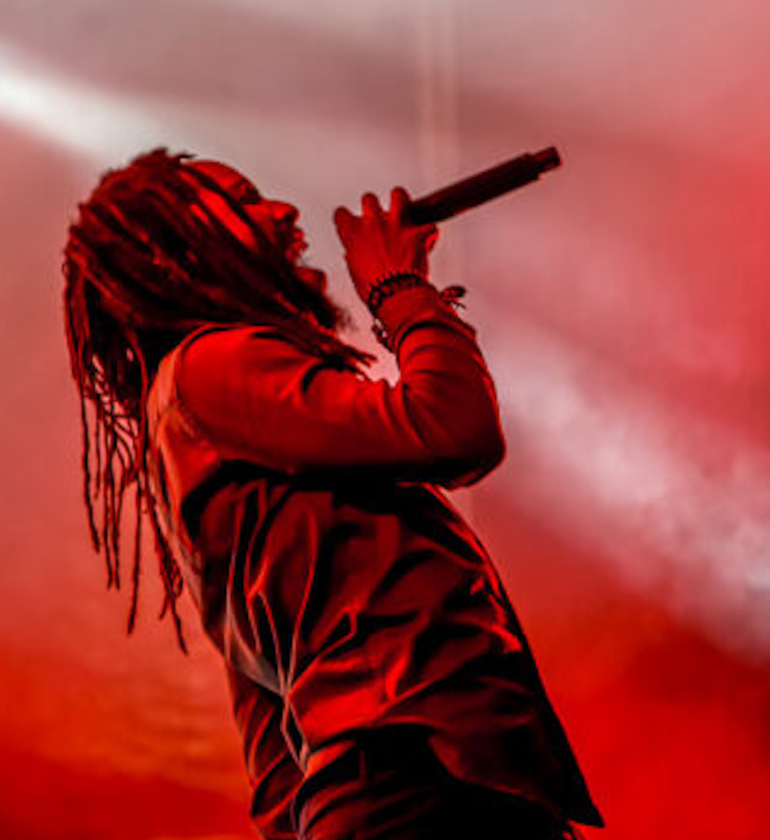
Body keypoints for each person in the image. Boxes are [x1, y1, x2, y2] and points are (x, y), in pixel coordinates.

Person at [62, 148, 603, 839]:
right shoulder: (212, 365)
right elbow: (455, 427)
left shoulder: (196, 418)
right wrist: (400, 286)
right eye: (246, 198)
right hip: (419, 779)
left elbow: (266, 716)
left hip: (391, 790)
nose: (282, 211)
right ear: (174, 250)